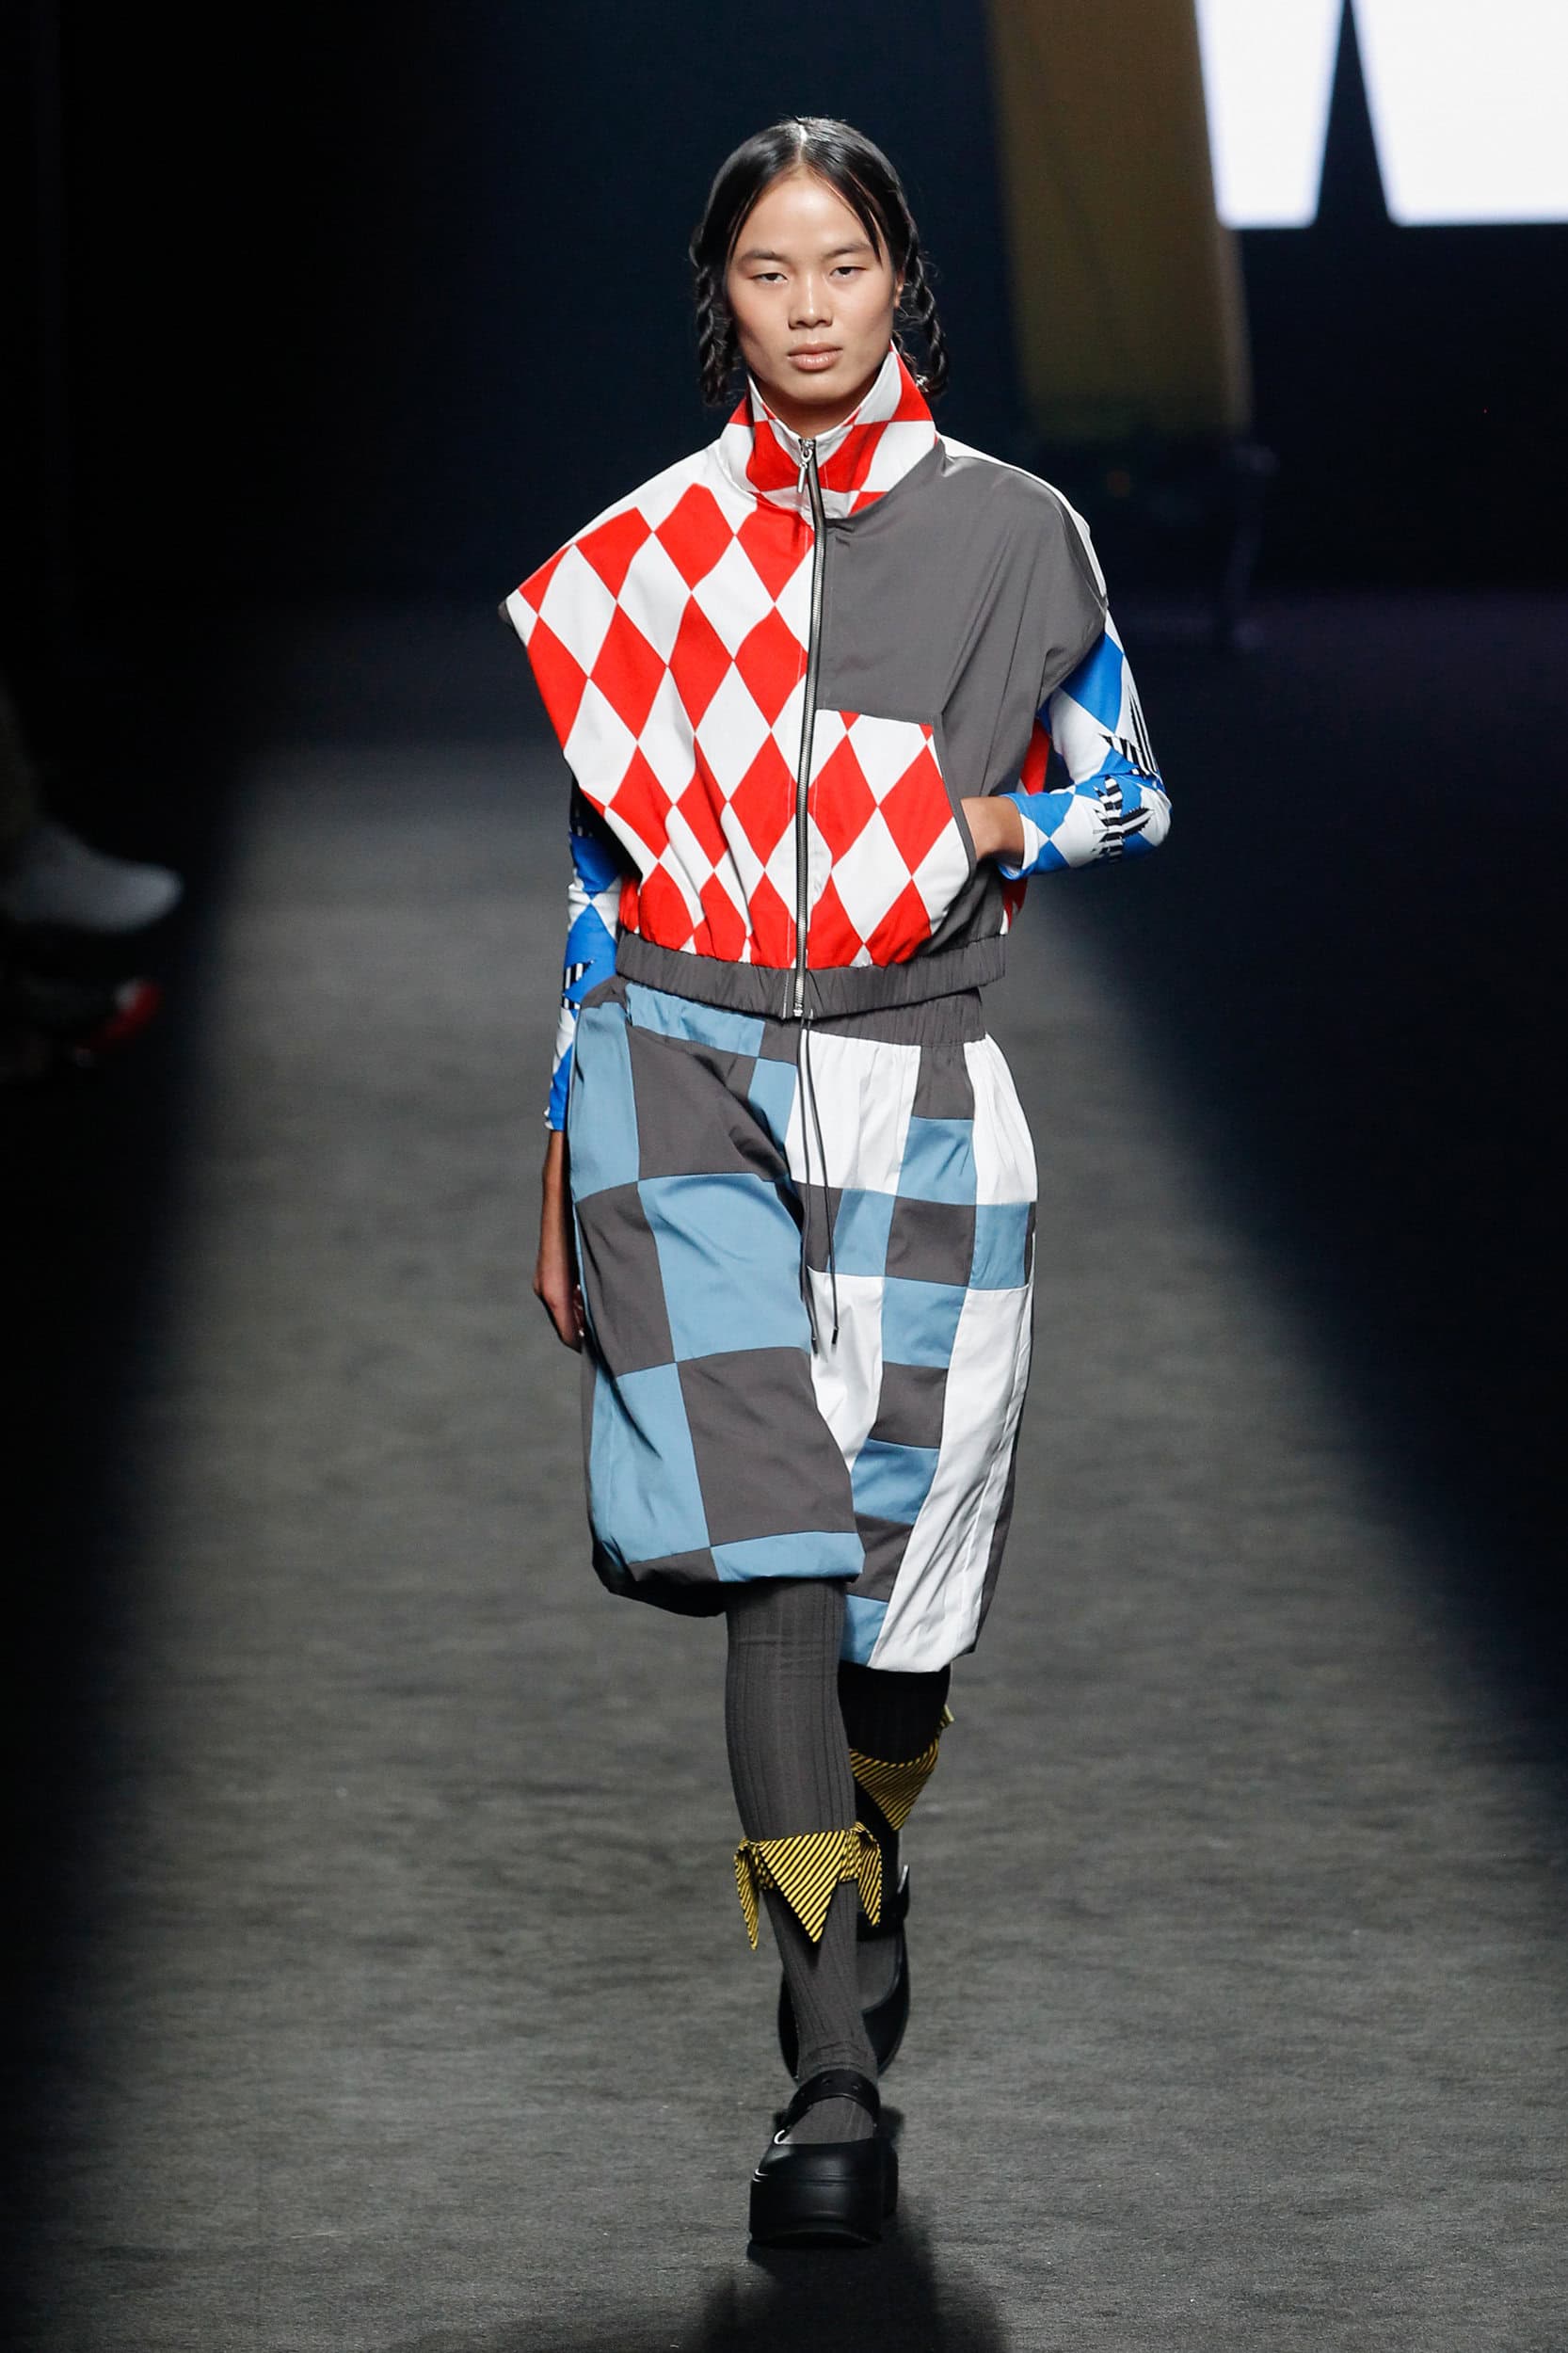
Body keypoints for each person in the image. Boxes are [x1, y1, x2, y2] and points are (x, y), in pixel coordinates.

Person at [504, 116, 1170, 2248]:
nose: (807, 307)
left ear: (901, 280)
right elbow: (600, 880)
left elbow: (1133, 791)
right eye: (767, 271)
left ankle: (870, 1838)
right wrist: (561, 1137)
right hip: (678, 1064)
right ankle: (824, 2066)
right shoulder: (640, 554)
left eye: (842, 265)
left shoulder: (1014, 533)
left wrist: (998, 822)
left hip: (919, 1082)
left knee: (899, 1616)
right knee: (775, 1565)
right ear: (722, 294)